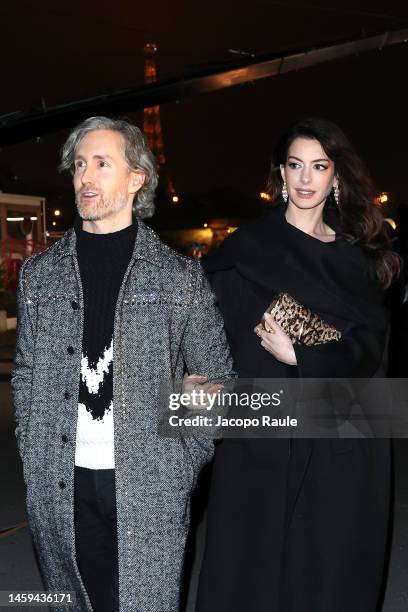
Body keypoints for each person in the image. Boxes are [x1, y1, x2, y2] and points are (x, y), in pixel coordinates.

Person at [11, 116, 234, 612]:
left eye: (101, 164)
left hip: (151, 486)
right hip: (59, 482)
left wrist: (180, 464)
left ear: (137, 177)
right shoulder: (39, 276)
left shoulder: (178, 278)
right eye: (79, 165)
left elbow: (218, 380)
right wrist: (33, 454)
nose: (85, 178)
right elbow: (25, 375)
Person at [195, 118, 401, 612]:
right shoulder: (247, 248)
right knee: (251, 574)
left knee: (324, 575)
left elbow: (370, 351)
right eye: (295, 165)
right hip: (259, 437)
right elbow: (205, 325)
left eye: (319, 166)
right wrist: (194, 378)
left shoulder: (359, 263)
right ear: (280, 174)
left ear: (337, 178)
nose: (306, 179)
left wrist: (302, 352)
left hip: (337, 443)